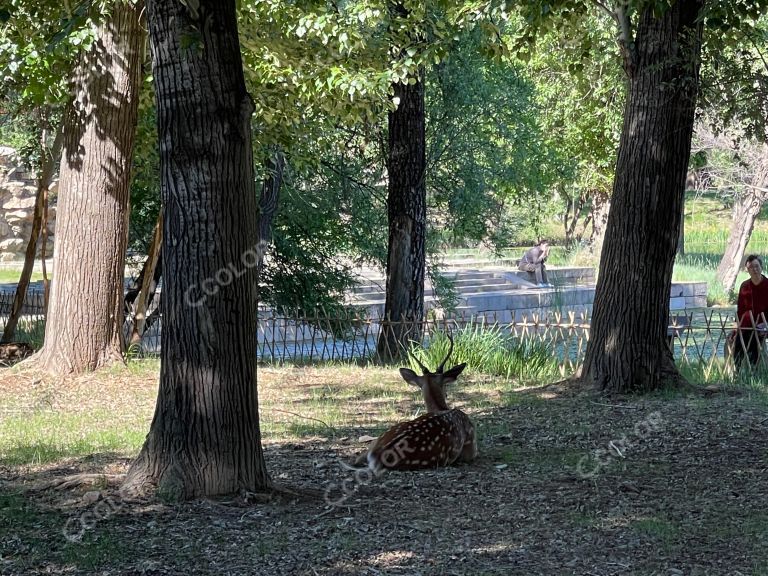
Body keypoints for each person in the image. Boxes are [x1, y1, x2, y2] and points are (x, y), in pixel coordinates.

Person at [728, 254, 768, 369]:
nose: (754, 270)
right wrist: (736, 325)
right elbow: (740, 309)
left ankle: (754, 371)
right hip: (746, 324)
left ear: (761, 267)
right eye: (751, 267)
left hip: (763, 324)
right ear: (747, 270)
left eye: (756, 266)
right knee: (740, 339)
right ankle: (738, 371)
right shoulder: (744, 286)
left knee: (755, 339)